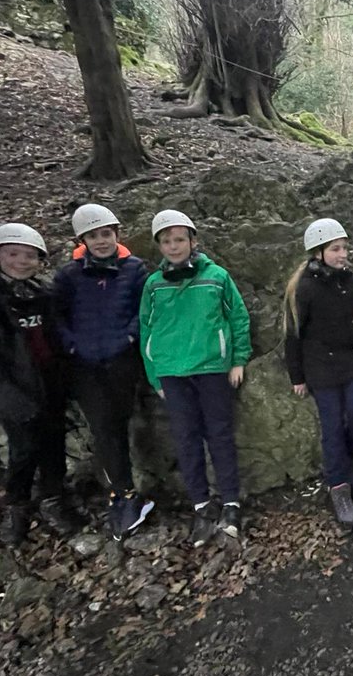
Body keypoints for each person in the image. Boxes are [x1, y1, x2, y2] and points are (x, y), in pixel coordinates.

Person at [0, 223, 82, 545]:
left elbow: (57, 339)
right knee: (23, 451)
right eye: (13, 254)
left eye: (30, 256)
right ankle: (17, 505)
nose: (21, 262)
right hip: (16, 391)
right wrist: (8, 398)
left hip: (49, 386)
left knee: (54, 445)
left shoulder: (41, 295)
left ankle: (54, 497)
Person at [140, 210, 251, 546]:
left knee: (219, 434)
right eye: (166, 241)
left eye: (180, 239)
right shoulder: (153, 284)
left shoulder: (216, 276)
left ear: (193, 241)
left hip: (212, 369)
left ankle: (230, 501)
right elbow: (146, 329)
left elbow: (238, 317)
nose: (174, 246)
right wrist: (156, 377)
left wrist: (238, 359)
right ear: (159, 246)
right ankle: (202, 503)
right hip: (172, 373)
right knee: (186, 439)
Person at [54, 203, 153, 541]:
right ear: (82, 239)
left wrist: (128, 335)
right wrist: (71, 345)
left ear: (116, 235)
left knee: (119, 422)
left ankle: (126, 492)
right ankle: (123, 494)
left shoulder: (134, 269)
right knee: (103, 428)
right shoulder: (69, 275)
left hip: (121, 359)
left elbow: (144, 309)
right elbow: (57, 315)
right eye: (94, 236)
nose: (101, 241)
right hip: (84, 364)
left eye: (106, 234)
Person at [284, 218, 353, 531]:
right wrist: (297, 376)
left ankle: (350, 464)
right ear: (318, 252)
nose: (343, 254)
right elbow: (293, 334)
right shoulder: (304, 288)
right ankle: (339, 487)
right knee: (332, 426)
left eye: (344, 248)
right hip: (322, 368)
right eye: (335, 249)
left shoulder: (352, 280)